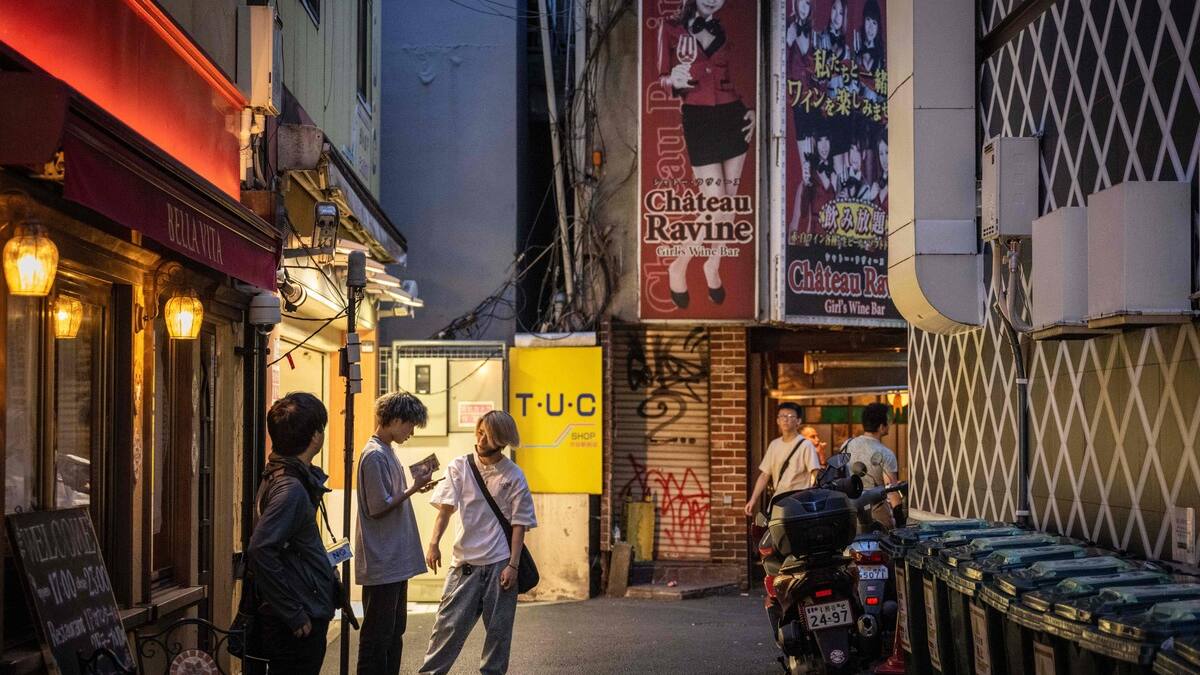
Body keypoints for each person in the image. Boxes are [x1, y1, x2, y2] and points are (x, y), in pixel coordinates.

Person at [420, 411, 537, 675]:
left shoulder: (514, 475)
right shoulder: (460, 467)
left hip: (500, 564)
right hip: (464, 564)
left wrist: (513, 565)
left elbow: (519, 525)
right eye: (480, 432)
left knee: (498, 634)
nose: (481, 439)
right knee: (447, 628)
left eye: (488, 435)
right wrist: (433, 543)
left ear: (502, 439)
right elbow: (445, 510)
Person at [656, 0, 755, 309]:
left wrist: (750, 107)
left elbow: (741, 70)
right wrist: (674, 81)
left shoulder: (727, 26)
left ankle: (713, 264)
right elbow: (661, 76)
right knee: (715, 203)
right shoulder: (670, 28)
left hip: (733, 114)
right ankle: (679, 264)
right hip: (699, 117)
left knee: (730, 202)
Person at [247, 393, 343, 675]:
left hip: (299, 607)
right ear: (315, 436)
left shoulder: (282, 475)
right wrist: (293, 613)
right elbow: (260, 549)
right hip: (298, 618)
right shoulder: (290, 488)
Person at [356, 393, 436, 675]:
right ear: (396, 419)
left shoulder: (386, 451)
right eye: (411, 425)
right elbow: (378, 507)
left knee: (393, 633)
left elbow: (389, 498)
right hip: (383, 561)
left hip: (392, 560)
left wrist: (415, 488)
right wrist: (414, 488)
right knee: (377, 638)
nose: (411, 432)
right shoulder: (374, 455)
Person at [744, 403, 822, 516]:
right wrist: (753, 499)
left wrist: (810, 496)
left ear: (798, 421)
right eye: (782, 416)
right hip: (778, 501)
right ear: (778, 420)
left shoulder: (806, 445)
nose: (786, 419)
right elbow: (764, 475)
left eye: (790, 416)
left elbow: (815, 472)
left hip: (798, 502)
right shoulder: (774, 445)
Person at [844, 402, 903, 530]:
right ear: (881, 427)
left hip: (851, 514)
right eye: (888, 422)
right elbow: (891, 491)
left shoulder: (847, 445)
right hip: (877, 516)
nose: (889, 425)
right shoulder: (885, 453)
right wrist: (901, 522)